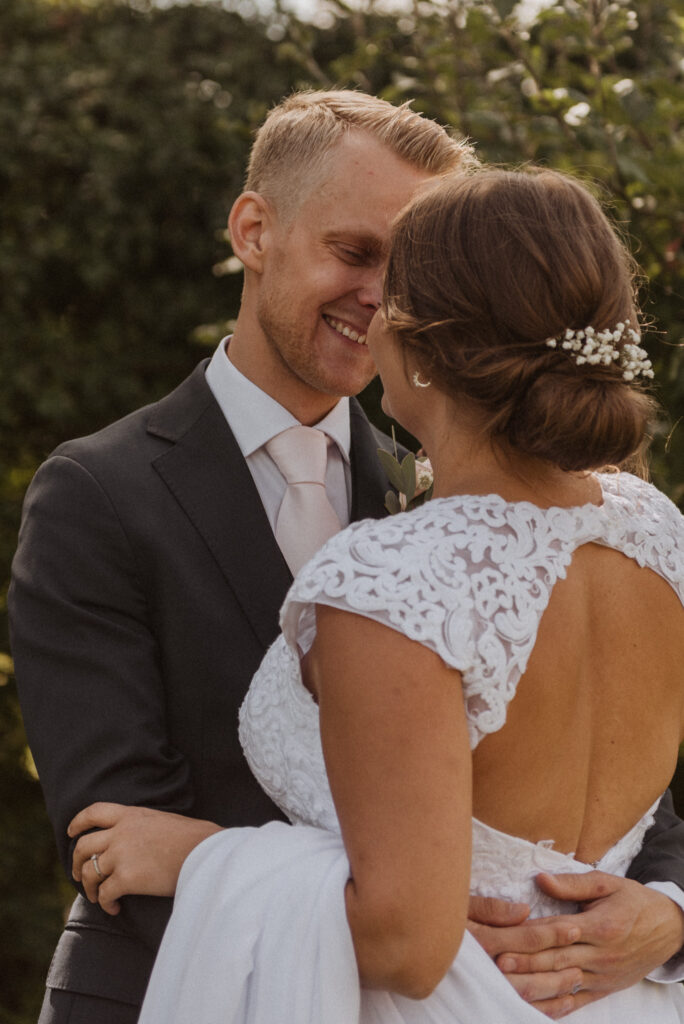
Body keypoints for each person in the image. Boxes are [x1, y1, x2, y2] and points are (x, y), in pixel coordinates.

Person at [8, 92, 684, 1023]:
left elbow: (637, 797)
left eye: (407, 273)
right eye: (356, 253)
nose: (382, 299)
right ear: (254, 231)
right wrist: (435, 929)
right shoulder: (96, 492)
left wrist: (669, 914)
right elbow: (114, 831)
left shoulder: (480, 499)